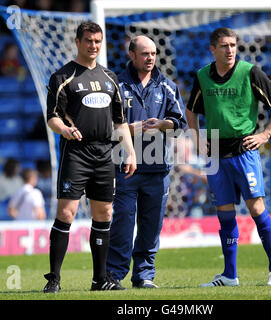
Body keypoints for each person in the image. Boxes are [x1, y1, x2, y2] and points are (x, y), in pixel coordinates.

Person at [186, 28, 271, 287]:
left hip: (244, 150)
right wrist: (197, 139)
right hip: (215, 152)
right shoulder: (202, 76)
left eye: (232, 45)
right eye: (224, 46)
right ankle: (230, 275)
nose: (230, 50)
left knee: (255, 208)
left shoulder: (250, 72)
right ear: (213, 49)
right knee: (224, 212)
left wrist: (265, 134)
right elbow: (191, 111)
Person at [43, 22, 136, 293]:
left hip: (104, 154)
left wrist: (130, 152)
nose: (93, 46)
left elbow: (120, 122)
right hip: (76, 154)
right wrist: (65, 129)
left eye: (98, 41)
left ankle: (100, 280)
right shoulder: (63, 77)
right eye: (88, 41)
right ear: (77, 42)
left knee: (104, 213)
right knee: (66, 212)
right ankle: (54, 280)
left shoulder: (110, 78)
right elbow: (52, 117)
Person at [106, 35, 186, 289]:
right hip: (124, 167)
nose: (150, 58)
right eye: (144, 54)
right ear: (132, 55)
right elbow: (104, 126)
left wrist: (165, 124)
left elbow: (180, 123)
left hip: (158, 168)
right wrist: (130, 128)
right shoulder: (115, 85)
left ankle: (144, 275)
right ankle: (114, 275)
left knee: (151, 226)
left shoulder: (167, 87)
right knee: (123, 223)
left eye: (153, 53)